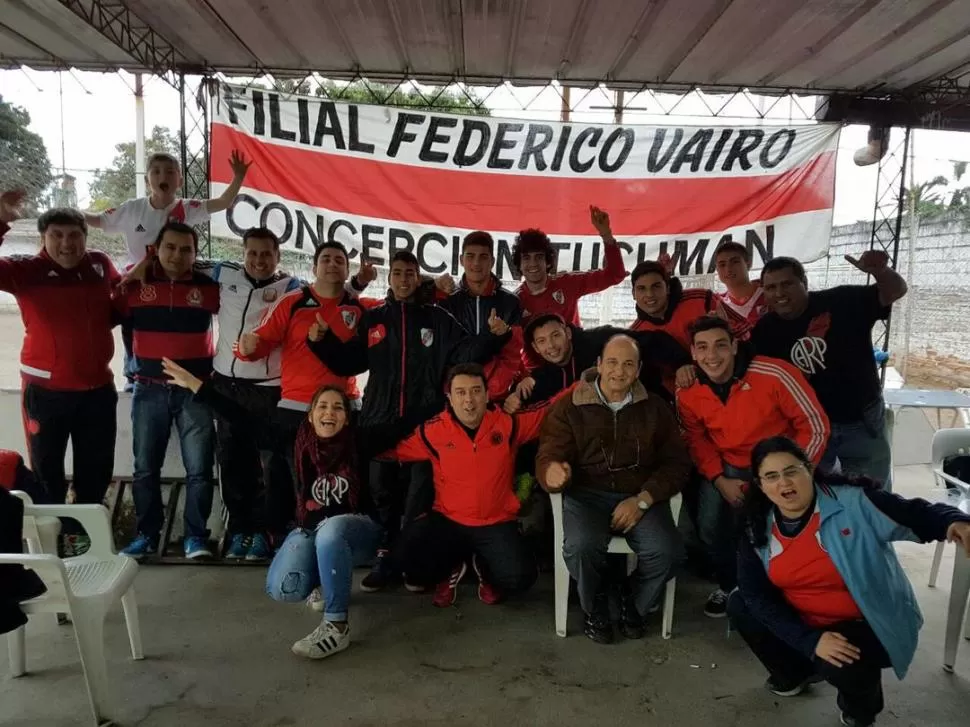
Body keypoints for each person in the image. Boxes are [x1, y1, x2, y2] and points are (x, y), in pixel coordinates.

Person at [160, 357, 422, 660]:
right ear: (310, 416)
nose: (329, 412)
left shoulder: (360, 440)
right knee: (283, 588)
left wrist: (451, 400)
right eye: (322, 406)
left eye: (338, 407)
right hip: (311, 531)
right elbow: (242, 417)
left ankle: (336, 626)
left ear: (347, 418)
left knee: (332, 529)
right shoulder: (292, 441)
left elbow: (405, 424)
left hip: (358, 533)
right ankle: (324, 581)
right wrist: (197, 386)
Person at [729, 436, 970, 727]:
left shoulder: (855, 502)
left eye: (792, 471)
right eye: (771, 476)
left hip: (864, 622)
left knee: (842, 660)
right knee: (740, 602)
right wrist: (811, 640)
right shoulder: (756, 523)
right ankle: (793, 674)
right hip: (804, 619)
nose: (784, 483)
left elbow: (917, 513)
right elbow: (756, 595)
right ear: (760, 484)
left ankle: (860, 711)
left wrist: (953, 520)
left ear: (809, 469)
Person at [308, 251, 513, 591]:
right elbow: (348, 363)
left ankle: (412, 564)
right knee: (381, 494)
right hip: (379, 423)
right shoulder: (373, 319)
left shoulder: (438, 318)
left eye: (410, 273)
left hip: (423, 424)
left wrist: (494, 337)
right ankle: (386, 559)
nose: (403, 280)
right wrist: (321, 342)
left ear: (419, 278)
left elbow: (464, 354)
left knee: (419, 497)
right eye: (398, 273)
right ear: (390, 278)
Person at [535, 335, 692, 644]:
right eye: (612, 363)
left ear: (638, 370)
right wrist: (551, 472)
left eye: (628, 364)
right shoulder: (570, 406)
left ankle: (632, 601)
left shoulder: (655, 407)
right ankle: (595, 606)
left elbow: (677, 463)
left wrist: (644, 499)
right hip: (586, 496)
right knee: (580, 546)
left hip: (639, 495)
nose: (619, 372)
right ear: (598, 365)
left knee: (669, 552)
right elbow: (548, 454)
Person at [676, 316, 830, 618]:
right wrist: (719, 479)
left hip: (778, 468)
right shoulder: (687, 391)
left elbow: (815, 425)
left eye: (721, 345)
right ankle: (730, 586)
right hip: (727, 468)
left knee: (778, 533)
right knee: (712, 530)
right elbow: (695, 439)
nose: (712, 356)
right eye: (703, 348)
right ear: (693, 353)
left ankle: (781, 593)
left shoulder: (774, 373)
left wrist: (792, 474)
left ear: (735, 346)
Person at [0, 193, 121, 557]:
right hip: (45, 394)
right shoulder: (25, 271)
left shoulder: (100, 265)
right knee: (46, 474)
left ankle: (82, 543)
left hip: (98, 391)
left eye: (74, 235)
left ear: (86, 237)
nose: (67, 243)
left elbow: (113, 309)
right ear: (44, 238)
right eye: (57, 235)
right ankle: (49, 548)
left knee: (95, 472)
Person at [234, 241, 372, 542]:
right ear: (314, 267)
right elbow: (260, 342)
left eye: (339, 260)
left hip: (344, 410)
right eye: (326, 259)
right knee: (282, 477)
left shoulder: (359, 308)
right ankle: (275, 537)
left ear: (347, 270)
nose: (333, 264)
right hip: (296, 408)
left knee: (343, 478)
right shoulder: (292, 302)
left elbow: (399, 303)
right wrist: (245, 349)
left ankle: (338, 536)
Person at [389, 363, 556, 606]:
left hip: (496, 522)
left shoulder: (508, 424)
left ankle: (483, 568)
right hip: (449, 520)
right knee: (406, 559)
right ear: (449, 397)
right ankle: (454, 565)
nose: (469, 400)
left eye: (476, 391)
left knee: (520, 579)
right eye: (461, 392)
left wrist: (587, 385)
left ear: (488, 395)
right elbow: (391, 449)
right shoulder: (432, 431)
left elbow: (551, 409)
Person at [752, 252, 907, 487]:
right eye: (770, 287)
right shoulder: (765, 329)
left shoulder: (843, 301)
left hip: (860, 421)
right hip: (810, 427)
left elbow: (896, 291)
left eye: (787, 284)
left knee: (873, 498)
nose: (779, 293)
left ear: (804, 283)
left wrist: (880, 271)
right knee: (814, 494)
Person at [114, 222, 220, 559]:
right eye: (170, 247)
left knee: (200, 469)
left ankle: (195, 538)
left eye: (186, 249)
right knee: (145, 468)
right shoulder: (135, 283)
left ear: (196, 253)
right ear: (156, 249)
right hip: (148, 391)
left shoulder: (209, 286)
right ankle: (146, 536)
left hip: (195, 391)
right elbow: (112, 310)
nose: (177, 255)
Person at [197, 227, 301, 560]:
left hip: (268, 390)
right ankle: (240, 530)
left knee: (270, 466)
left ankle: (266, 532)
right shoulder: (223, 274)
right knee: (232, 461)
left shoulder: (290, 288)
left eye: (266, 254)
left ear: (278, 257)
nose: (259, 260)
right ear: (243, 254)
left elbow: (328, 296)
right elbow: (181, 270)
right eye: (252, 253)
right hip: (226, 386)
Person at [86, 150, 251, 267]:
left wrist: (239, 177)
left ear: (180, 181)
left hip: (176, 276)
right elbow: (98, 220)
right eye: (156, 172)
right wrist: (71, 213)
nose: (163, 177)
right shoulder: (132, 208)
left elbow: (223, 202)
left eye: (170, 172)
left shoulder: (188, 208)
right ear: (146, 180)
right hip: (137, 277)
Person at [509, 313, 689, 409]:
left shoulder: (600, 339)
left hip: (641, 414)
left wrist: (681, 363)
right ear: (535, 347)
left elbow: (651, 341)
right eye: (542, 341)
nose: (551, 345)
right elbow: (532, 411)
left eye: (556, 335)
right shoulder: (541, 378)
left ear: (568, 333)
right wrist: (514, 398)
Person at [438, 230, 524, 400]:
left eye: (483, 257)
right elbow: (444, 353)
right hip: (454, 397)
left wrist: (491, 391)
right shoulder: (446, 301)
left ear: (492, 261)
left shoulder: (510, 302)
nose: (476, 263)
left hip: (495, 397)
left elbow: (513, 355)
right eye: (470, 256)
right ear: (461, 260)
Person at [512, 206, 626, 329]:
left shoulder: (568, 283)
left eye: (539, 257)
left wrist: (606, 234)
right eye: (526, 258)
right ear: (519, 265)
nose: (533, 263)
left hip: (577, 348)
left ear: (549, 262)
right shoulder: (514, 301)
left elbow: (615, 275)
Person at [629, 259, 715, 394]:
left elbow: (743, 334)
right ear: (633, 294)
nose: (649, 294)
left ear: (667, 287)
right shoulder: (634, 335)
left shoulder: (702, 300)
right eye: (641, 289)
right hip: (679, 401)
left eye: (656, 286)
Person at [711, 241, 767, 340]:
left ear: (748, 264)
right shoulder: (717, 304)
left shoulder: (769, 294)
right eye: (722, 264)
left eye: (735, 262)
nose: (728, 269)